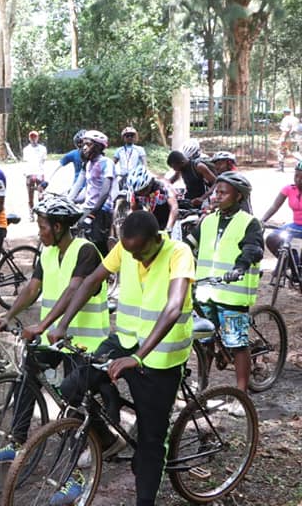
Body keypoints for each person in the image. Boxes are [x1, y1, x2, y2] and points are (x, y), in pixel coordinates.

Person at [47, 211, 194, 506]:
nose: (136, 257)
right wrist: (62, 324)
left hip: (161, 358)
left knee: (150, 445)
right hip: (125, 342)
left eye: (141, 251)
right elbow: (90, 282)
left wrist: (138, 358)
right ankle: (108, 439)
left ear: (157, 239)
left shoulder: (179, 252)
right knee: (72, 388)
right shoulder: (125, 249)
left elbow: (174, 306)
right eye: (130, 252)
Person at [0, 197, 109, 463]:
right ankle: (17, 442)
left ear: (59, 225)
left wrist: (42, 325)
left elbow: (74, 289)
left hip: (84, 339)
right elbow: (32, 288)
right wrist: (9, 314)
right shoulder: (48, 252)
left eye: (43, 227)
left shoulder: (85, 251)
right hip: (53, 336)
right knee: (28, 376)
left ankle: (93, 443)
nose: (40, 232)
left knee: (74, 394)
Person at [191, 172, 262, 395]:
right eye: (215, 192)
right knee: (204, 341)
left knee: (237, 344)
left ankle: (240, 394)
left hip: (231, 294)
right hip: (205, 292)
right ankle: (203, 386)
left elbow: (253, 248)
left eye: (223, 193)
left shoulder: (249, 223)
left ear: (238, 196)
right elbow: (189, 244)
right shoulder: (207, 221)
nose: (216, 196)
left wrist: (240, 267)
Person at [68, 130, 115, 256]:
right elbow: (78, 186)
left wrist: (92, 214)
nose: (84, 148)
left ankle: (107, 271)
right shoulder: (87, 164)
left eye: (88, 144)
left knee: (98, 247)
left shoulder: (106, 163)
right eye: (83, 144)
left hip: (101, 209)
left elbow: (105, 192)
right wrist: (67, 201)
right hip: (87, 207)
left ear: (99, 147)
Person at [260, 160, 302, 256]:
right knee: (272, 239)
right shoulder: (289, 189)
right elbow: (274, 206)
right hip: (295, 226)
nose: (298, 180)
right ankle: (287, 264)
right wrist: (262, 220)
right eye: (296, 176)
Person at [127, 164, 178, 231]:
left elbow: (174, 207)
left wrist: (168, 228)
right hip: (153, 216)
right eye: (139, 192)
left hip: (169, 216)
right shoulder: (135, 192)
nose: (141, 194)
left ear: (150, 183)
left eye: (143, 190)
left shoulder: (163, 186)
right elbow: (133, 209)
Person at [22, 130, 47, 219]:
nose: (33, 139)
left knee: (41, 195)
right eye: (31, 137)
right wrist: (26, 173)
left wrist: (41, 172)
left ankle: (41, 213)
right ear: (29, 138)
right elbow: (26, 162)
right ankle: (31, 213)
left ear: (37, 138)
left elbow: (43, 161)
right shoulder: (26, 149)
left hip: (40, 172)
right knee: (30, 195)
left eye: (35, 137)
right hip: (30, 173)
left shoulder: (43, 148)